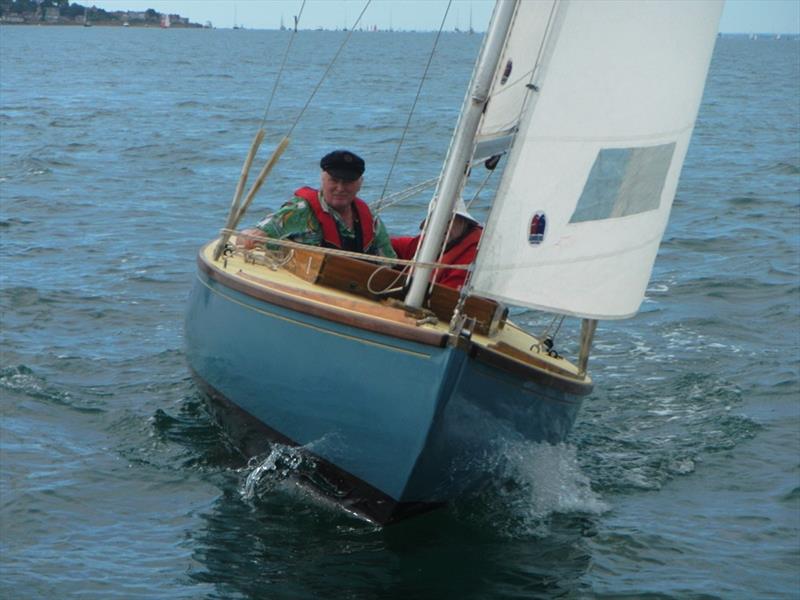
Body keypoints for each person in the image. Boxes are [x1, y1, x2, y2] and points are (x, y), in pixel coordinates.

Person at [238, 150, 396, 258]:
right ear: (323, 179)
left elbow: (389, 263)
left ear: (360, 184)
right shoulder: (300, 211)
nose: (340, 188)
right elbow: (257, 235)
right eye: (334, 181)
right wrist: (250, 236)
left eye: (348, 182)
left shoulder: (371, 221)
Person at [391, 201, 483, 290]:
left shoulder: (473, 254)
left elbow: (449, 294)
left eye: (449, 221)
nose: (442, 227)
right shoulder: (427, 242)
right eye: (436, 222)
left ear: (463, 222)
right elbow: (399, 245)